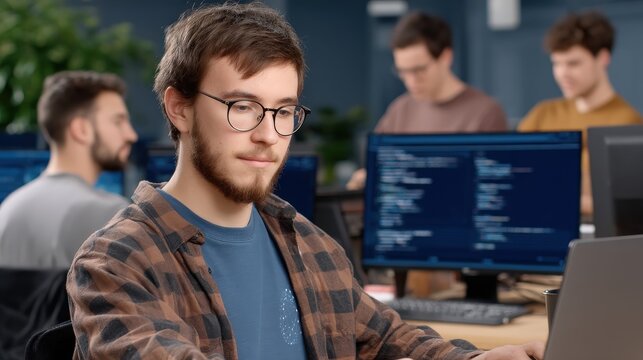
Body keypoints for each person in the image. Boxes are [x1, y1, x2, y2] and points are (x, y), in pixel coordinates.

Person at [66, 3, 544, 359]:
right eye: (243, 107)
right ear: (180, 108)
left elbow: (388, 337)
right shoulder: (116, 261)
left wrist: (474, 358)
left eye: (283, 111)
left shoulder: (308, 244)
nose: (267, 135)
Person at [347, 10, 507, 188]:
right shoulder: (400, 109)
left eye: (419, 70)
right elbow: (375, 168)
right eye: (402, 71)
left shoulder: (485, 112)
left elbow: (491, 186)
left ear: (446, 57)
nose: (410, 80)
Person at [0, 71, 138, 268]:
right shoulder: (112, 214)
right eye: (118, 121)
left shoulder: (8, 211)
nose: (131, 135)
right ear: (81, 130)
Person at [518, 11, 642, 215]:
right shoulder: (542, 113)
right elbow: (514, 178)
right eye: (556, 63)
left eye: (573, 63)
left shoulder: (626, 122)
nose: (562, 74)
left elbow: (622, 207)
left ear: (602, 58)